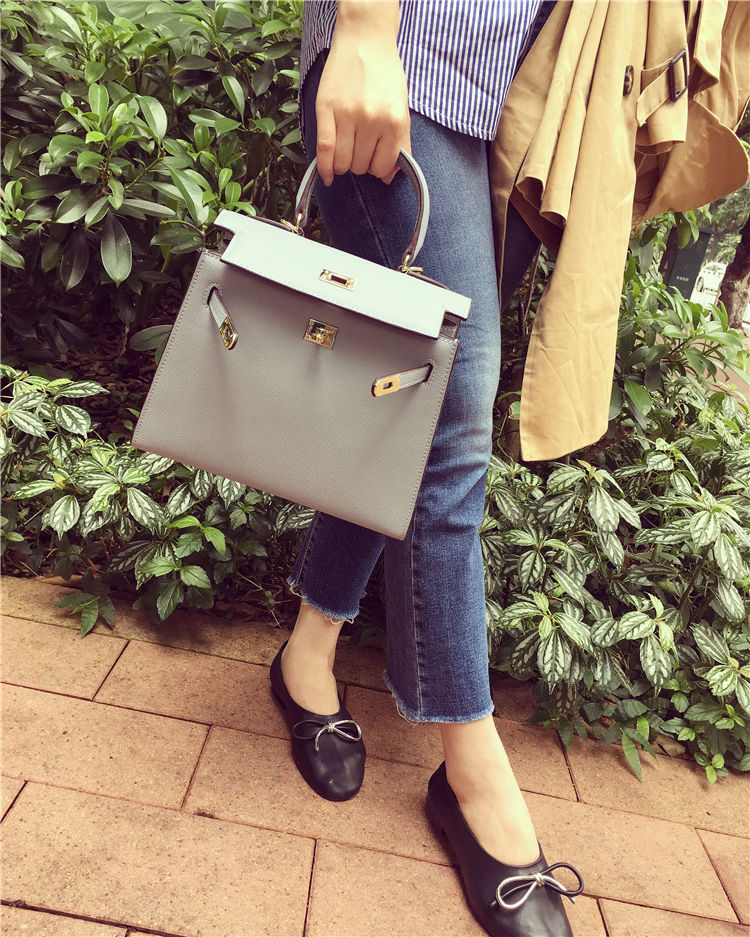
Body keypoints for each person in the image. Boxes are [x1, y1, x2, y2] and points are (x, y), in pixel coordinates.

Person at [268, 2, 584, 935]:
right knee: (449, 412)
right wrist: (365, 34)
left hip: (521, 96)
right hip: (413, 59)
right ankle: (472, 774)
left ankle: (307, 651)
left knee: (401, 403)